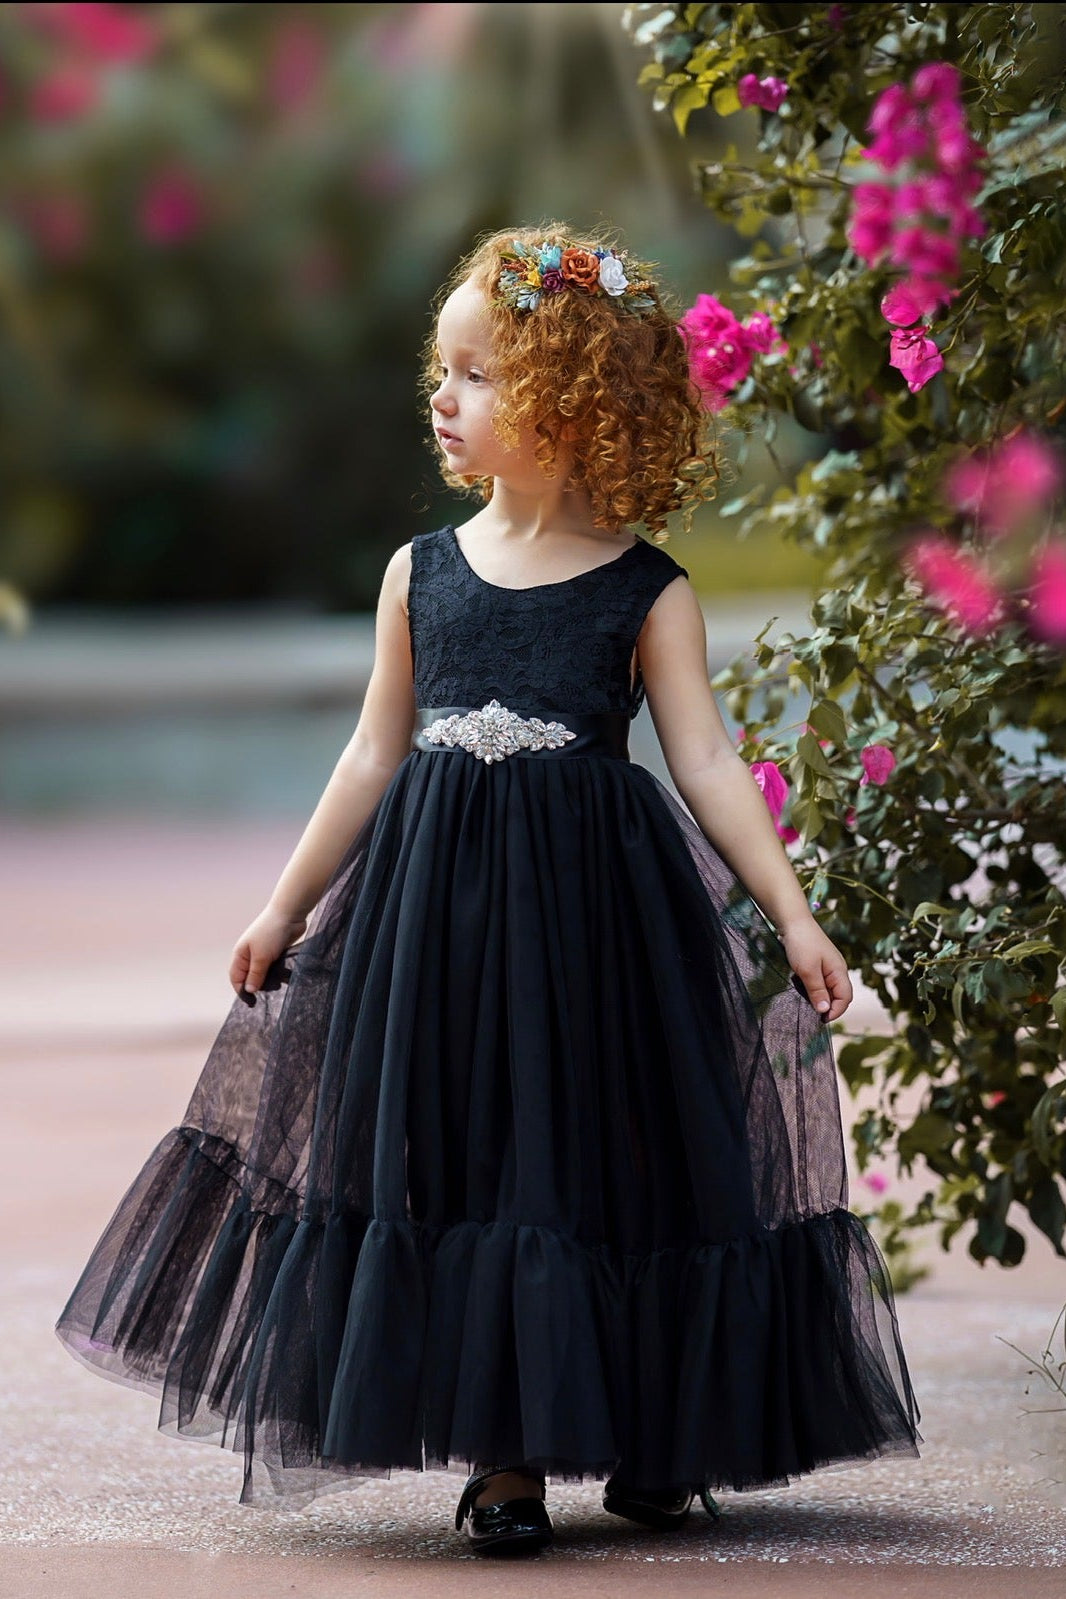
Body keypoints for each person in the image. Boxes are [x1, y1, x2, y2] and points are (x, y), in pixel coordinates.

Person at [54, 222, 922, 1559]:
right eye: (439, 372)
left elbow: (702, 761)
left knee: (609, 1157)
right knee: (463, 1155)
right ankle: (505, 1456)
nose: (440, 399)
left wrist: (791, 914)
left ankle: (655, 1432)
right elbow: (368, 751)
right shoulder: (424, 574)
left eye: (475, 374)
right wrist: (284, 907)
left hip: (594, 921)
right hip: (433, 925)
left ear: (572, 404)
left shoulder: (646, 590)